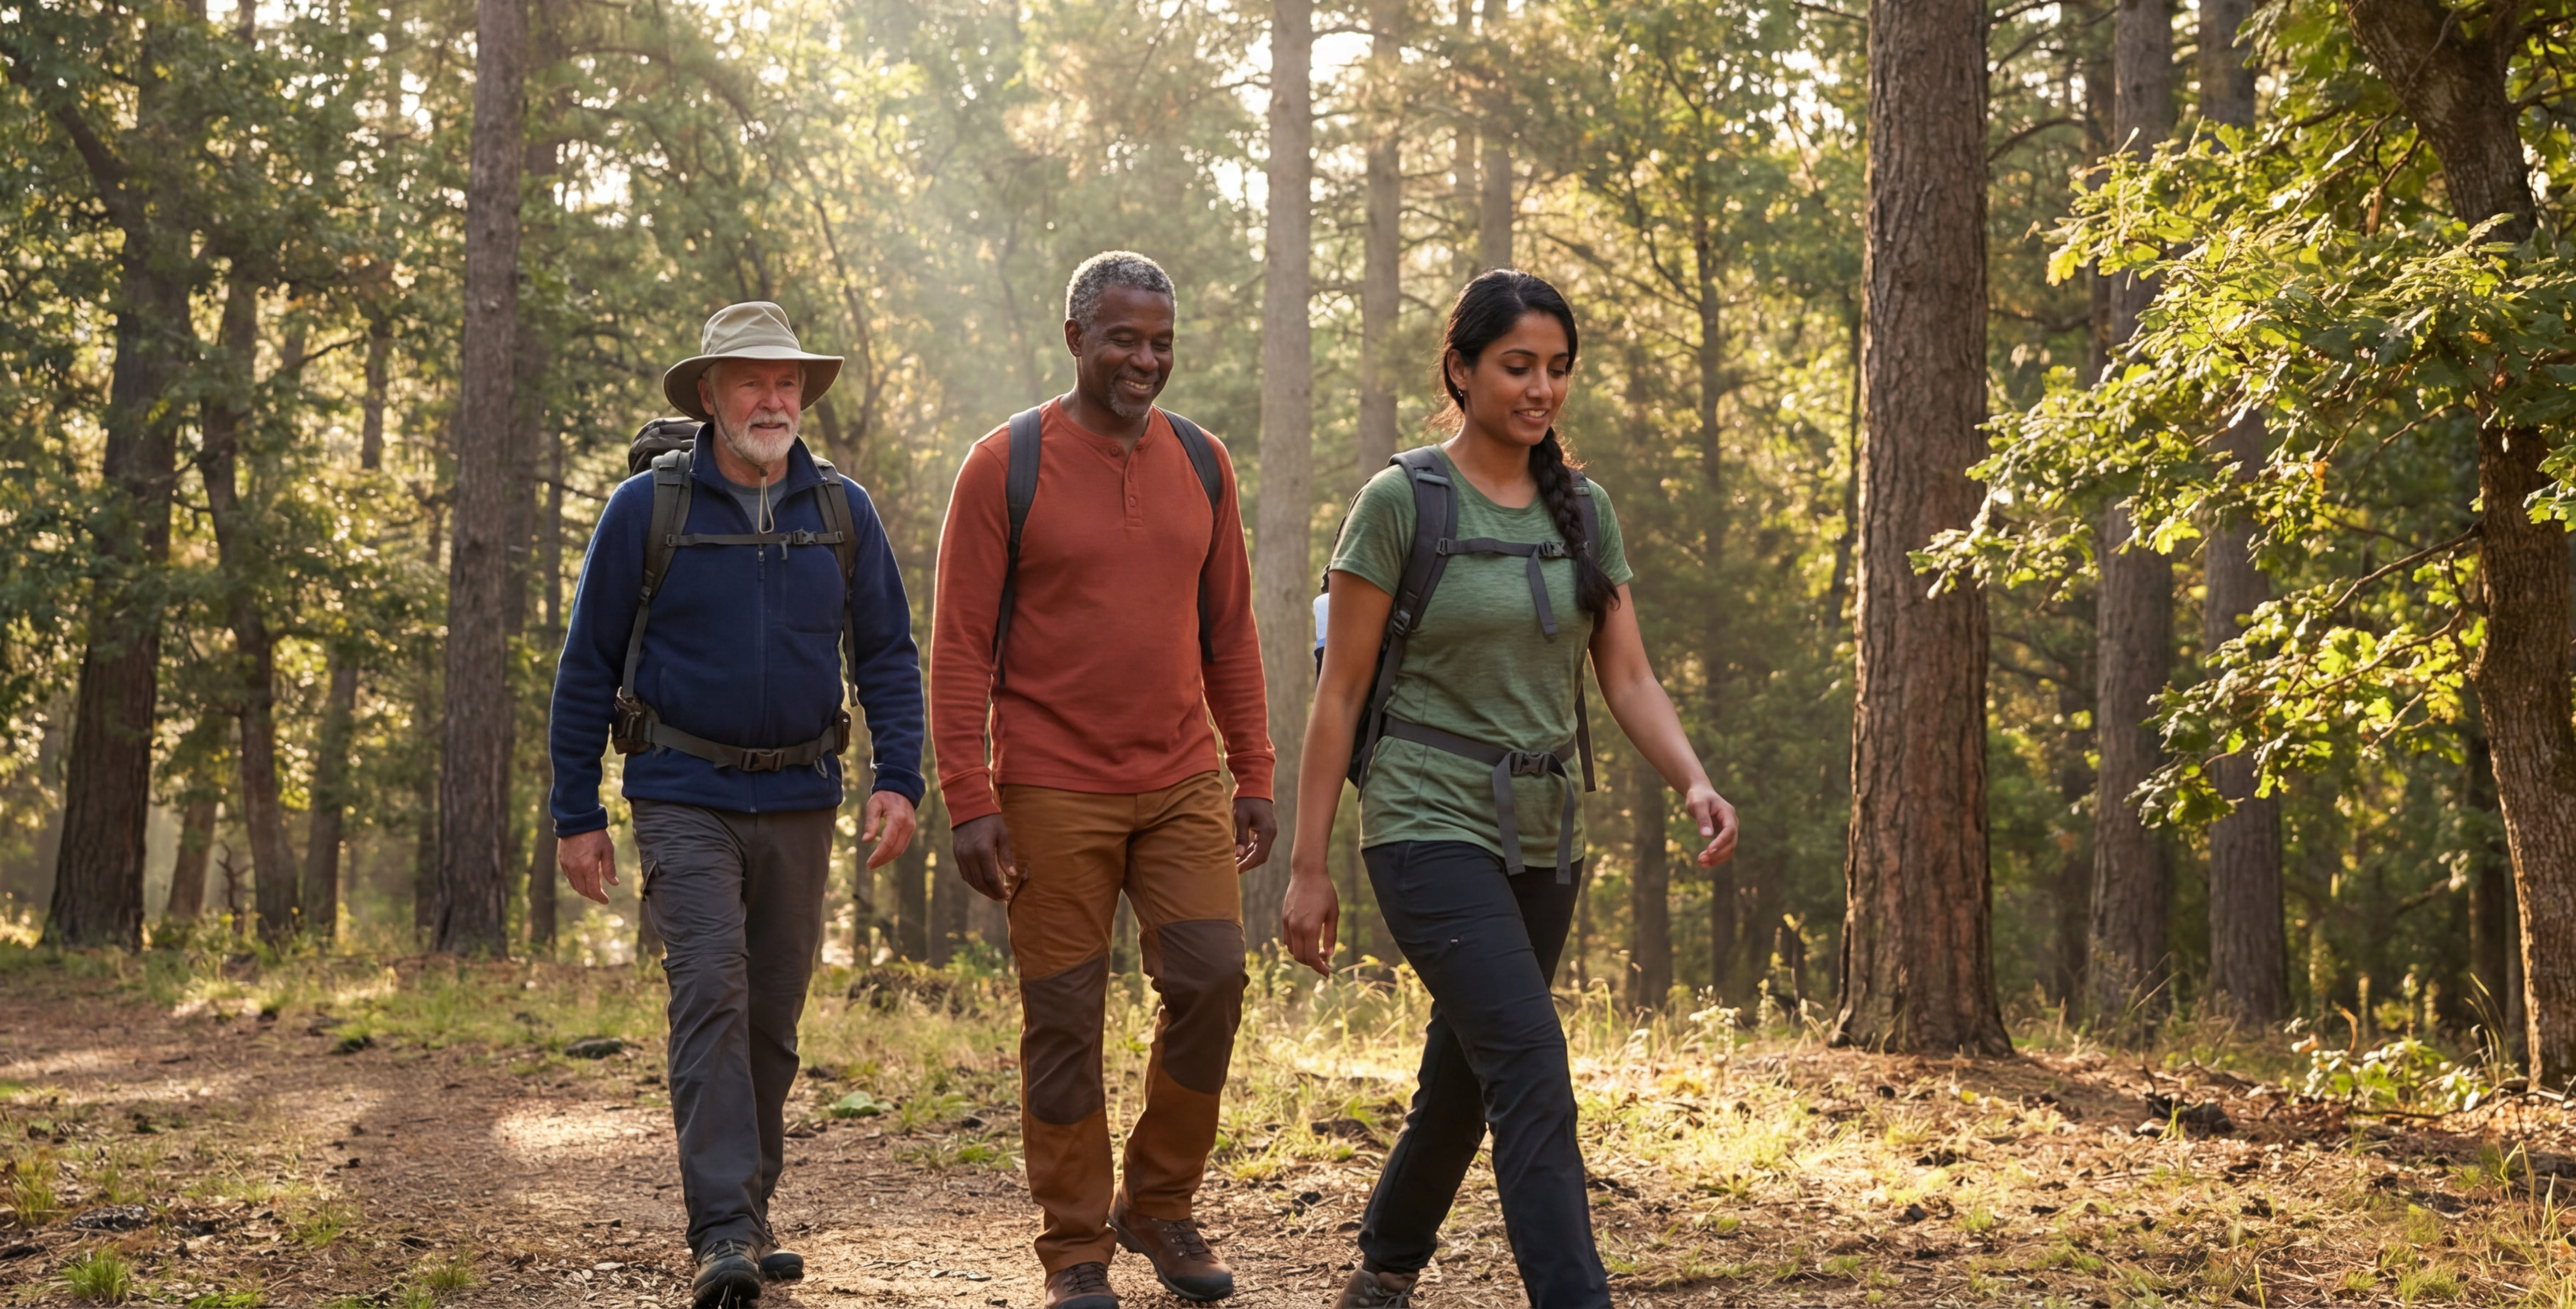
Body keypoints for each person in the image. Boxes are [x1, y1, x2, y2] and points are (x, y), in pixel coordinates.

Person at [1281, 270, 1739, 1309]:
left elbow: (1628, 676)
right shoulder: (1400, 503)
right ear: (1461, 369)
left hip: (1544, 829)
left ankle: (1384, 1268)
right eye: (1518, 366)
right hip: (1424, 820)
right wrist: (1310, 867)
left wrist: (1694, 781)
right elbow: (1339, 694)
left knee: (1469, 1064)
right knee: (1531, 1064)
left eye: (1558, 369)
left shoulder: (1586, 511)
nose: (1542, 389)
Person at [548, 301, 929, 1308]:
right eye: (751, 381)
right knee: (711, 990)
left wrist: (900, 778)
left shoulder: (842, 511)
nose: (773, 400)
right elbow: (586, 665)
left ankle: (749, 1215)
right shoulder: (647, 510)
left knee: (772, 1016)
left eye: (787, 382)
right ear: (710, 396)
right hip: (683, 790)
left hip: (802, 795)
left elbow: (889, 656)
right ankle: (720, 1227)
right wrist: (575, 812)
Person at [930, 252, 1278, 1309]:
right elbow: (959, 647)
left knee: (1213, 980)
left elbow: (1231, 633)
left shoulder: (1203, 462)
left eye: (1162, 342)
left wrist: (1253, 769)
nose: (1146, 360)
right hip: (1049, 788)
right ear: (1077, 337)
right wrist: (969, 797)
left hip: (1181, 780)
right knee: (1064, 1019)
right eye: (1125, 338)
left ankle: (1159, 1204)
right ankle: (1075, 1246)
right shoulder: (1006, 465)